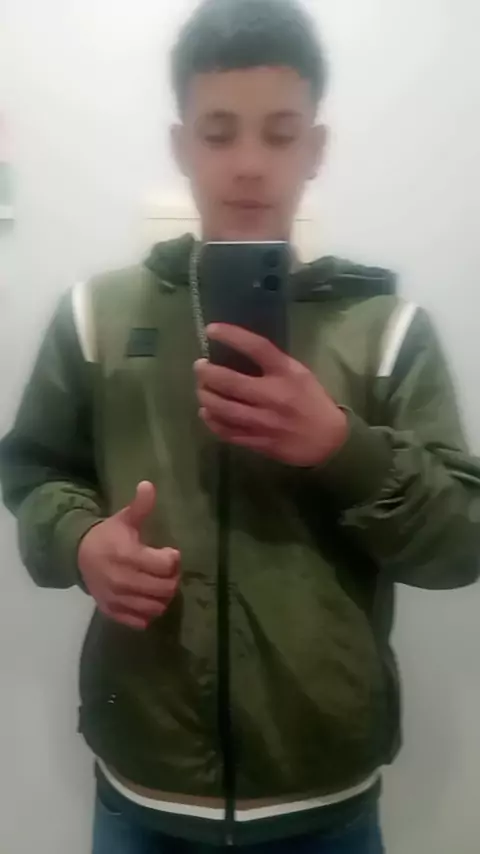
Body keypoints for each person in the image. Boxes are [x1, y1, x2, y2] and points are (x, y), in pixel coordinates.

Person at [1, 0, 480, 851]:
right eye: (219, 133)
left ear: (316, 149)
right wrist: (81, 542)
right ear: (181, 146)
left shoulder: (386, 331)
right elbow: (33, 473)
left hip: (326, 797)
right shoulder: (95, 318)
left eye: (280, 133)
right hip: (144, 784)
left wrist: (341, 447)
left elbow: (461, 544)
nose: (251, 164)